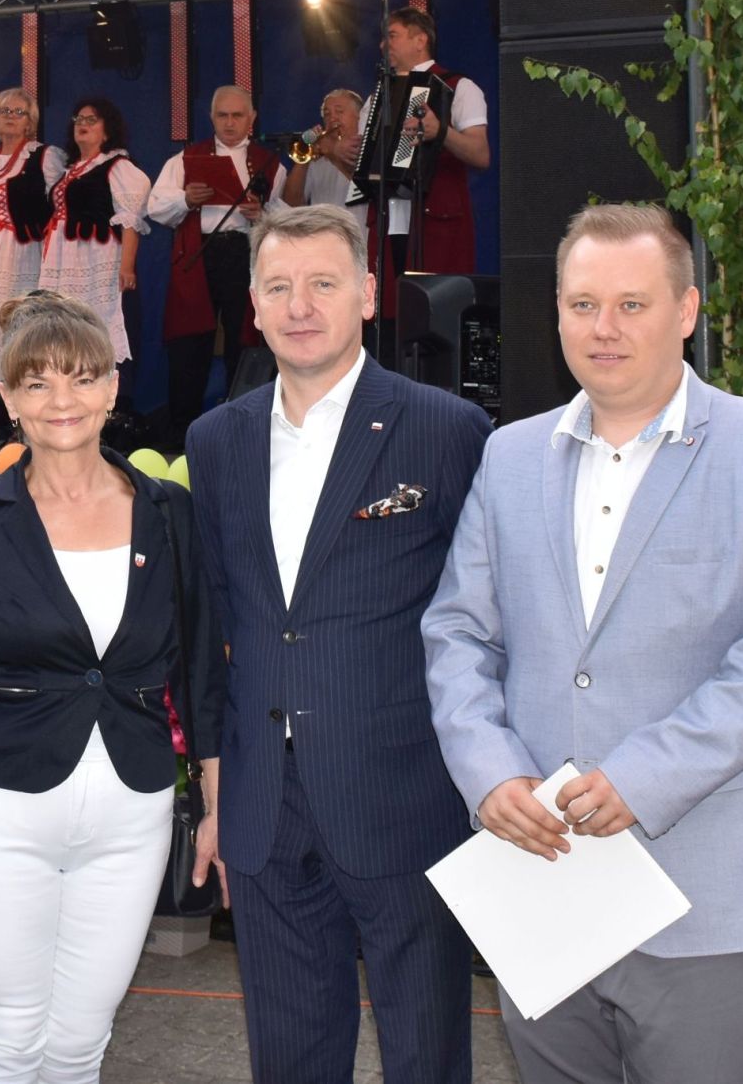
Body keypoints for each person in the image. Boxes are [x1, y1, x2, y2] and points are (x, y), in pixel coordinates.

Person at [421, 203, 743, 1084]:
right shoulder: (509, 457)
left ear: (686, 310)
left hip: (707, 896)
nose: (602, 328)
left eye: (631, 304)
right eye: (582, 304)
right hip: (543, 884)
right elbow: (458, 630)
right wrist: (489, 772)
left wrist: (645, 777)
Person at [184, 205, 493, 1084]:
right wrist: (215, 795)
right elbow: (214, 631)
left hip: (406, 798)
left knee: (425, 1057)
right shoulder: (215, 440)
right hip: (262, 809)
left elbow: (489, 621)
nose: (299, 306)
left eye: (322, 284)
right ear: (251, 304)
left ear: (366, 294)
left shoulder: (446, 430)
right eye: (278, 286)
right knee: (288, 1059)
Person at [0, 288, 222, 1083]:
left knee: (78, 1045)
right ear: (8, 399)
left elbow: (200, 666)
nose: (63, 400)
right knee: (8, 1039)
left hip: (132, 813)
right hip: (2, 808)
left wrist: (216, 804)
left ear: (112, 386)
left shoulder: (168, 513)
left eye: (83, 377)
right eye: (38, 382)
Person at [146, 85, 287, 435]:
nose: (229, 123)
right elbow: (156, 207)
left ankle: (246, 428)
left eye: (237, 115)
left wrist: (261, 214)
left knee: (247, 338)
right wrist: (185, 199)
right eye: (222, 115)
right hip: (200, 253)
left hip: (246, 254)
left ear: (252, 118)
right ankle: (183, 429)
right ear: (211, 117)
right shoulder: (184, 159)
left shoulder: (271, 163)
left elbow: (286, 219)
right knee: (189, 340)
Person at [364, 7, 488, 311]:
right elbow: (366, 172)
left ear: (420, 40)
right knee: (388, 311)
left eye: (392, 36)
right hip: (386, 219)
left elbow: (480, 154)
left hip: (435, 219)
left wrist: (440, 131)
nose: (383, 45)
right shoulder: (377, 97)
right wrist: (346, 156)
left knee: (435, 311)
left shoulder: (460, 87)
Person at [33, 97, 150, 371]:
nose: (82, 124)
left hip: (96, 259)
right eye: (79, 119)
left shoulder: (116, 166)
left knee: (97, 327)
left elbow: (130, 220)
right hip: (63, 258)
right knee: (63, 331)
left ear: (107, 131)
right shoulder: (70, 171)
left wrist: (127, 267)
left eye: (91, 120)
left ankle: (110, 392)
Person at [0, 89, 66, 381]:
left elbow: (60, 211)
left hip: (27, 252)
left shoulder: (45, 157)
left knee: (23, 320)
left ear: (30, 122)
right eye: (5, 111)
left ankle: (26, 382)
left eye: (19, 112)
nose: (11, 117)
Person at [279, 88, 369, 210]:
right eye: (327, 114)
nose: (332, 118)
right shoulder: (318, 155)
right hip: (322, 222)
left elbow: (366, 189)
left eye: (339, 111)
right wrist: (304, 156)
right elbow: (291, 204)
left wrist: (328, 149)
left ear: (359, 116)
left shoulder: (368, 149)